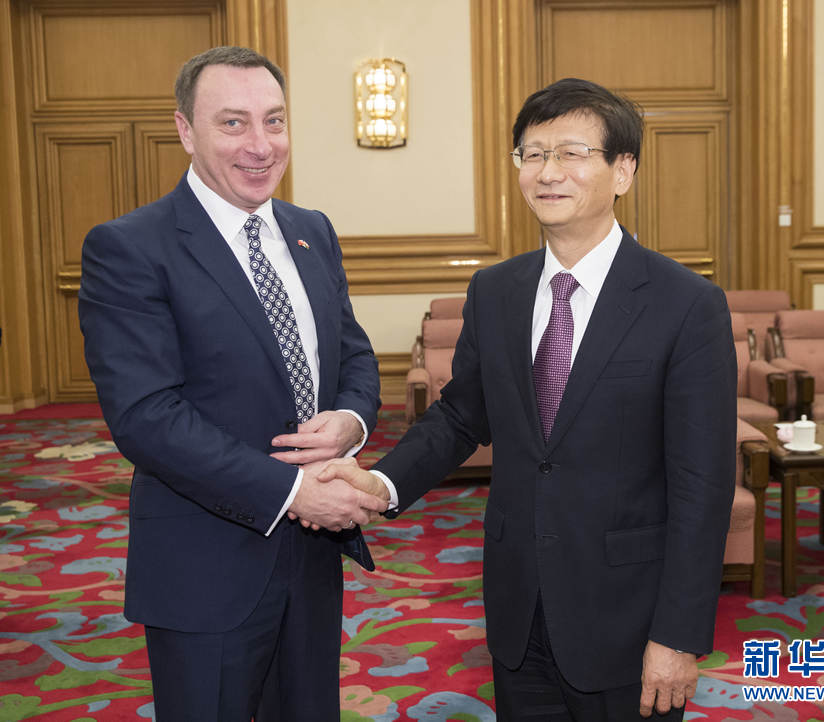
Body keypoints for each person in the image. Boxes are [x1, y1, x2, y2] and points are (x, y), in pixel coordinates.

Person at [313, 78, 737, 720]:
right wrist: (382, 484)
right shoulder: (496, 292)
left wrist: (678, 635)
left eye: (572, 153)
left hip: (627, 615)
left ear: (623, 170)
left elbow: (702, 487)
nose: (548, 171)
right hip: (518, 605)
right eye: (532, 154)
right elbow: (462, 415)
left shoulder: (686, 304)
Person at [78, 46, 387, 721]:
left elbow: (355, 356)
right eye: (233, 123)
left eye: (274, 120)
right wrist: (295, 492)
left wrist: (350, 421)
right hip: (205, 563)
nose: (260, 145)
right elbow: (146, 416)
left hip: (313, 559)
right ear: (186, 130)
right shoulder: (129, 247)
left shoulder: (311, 231)